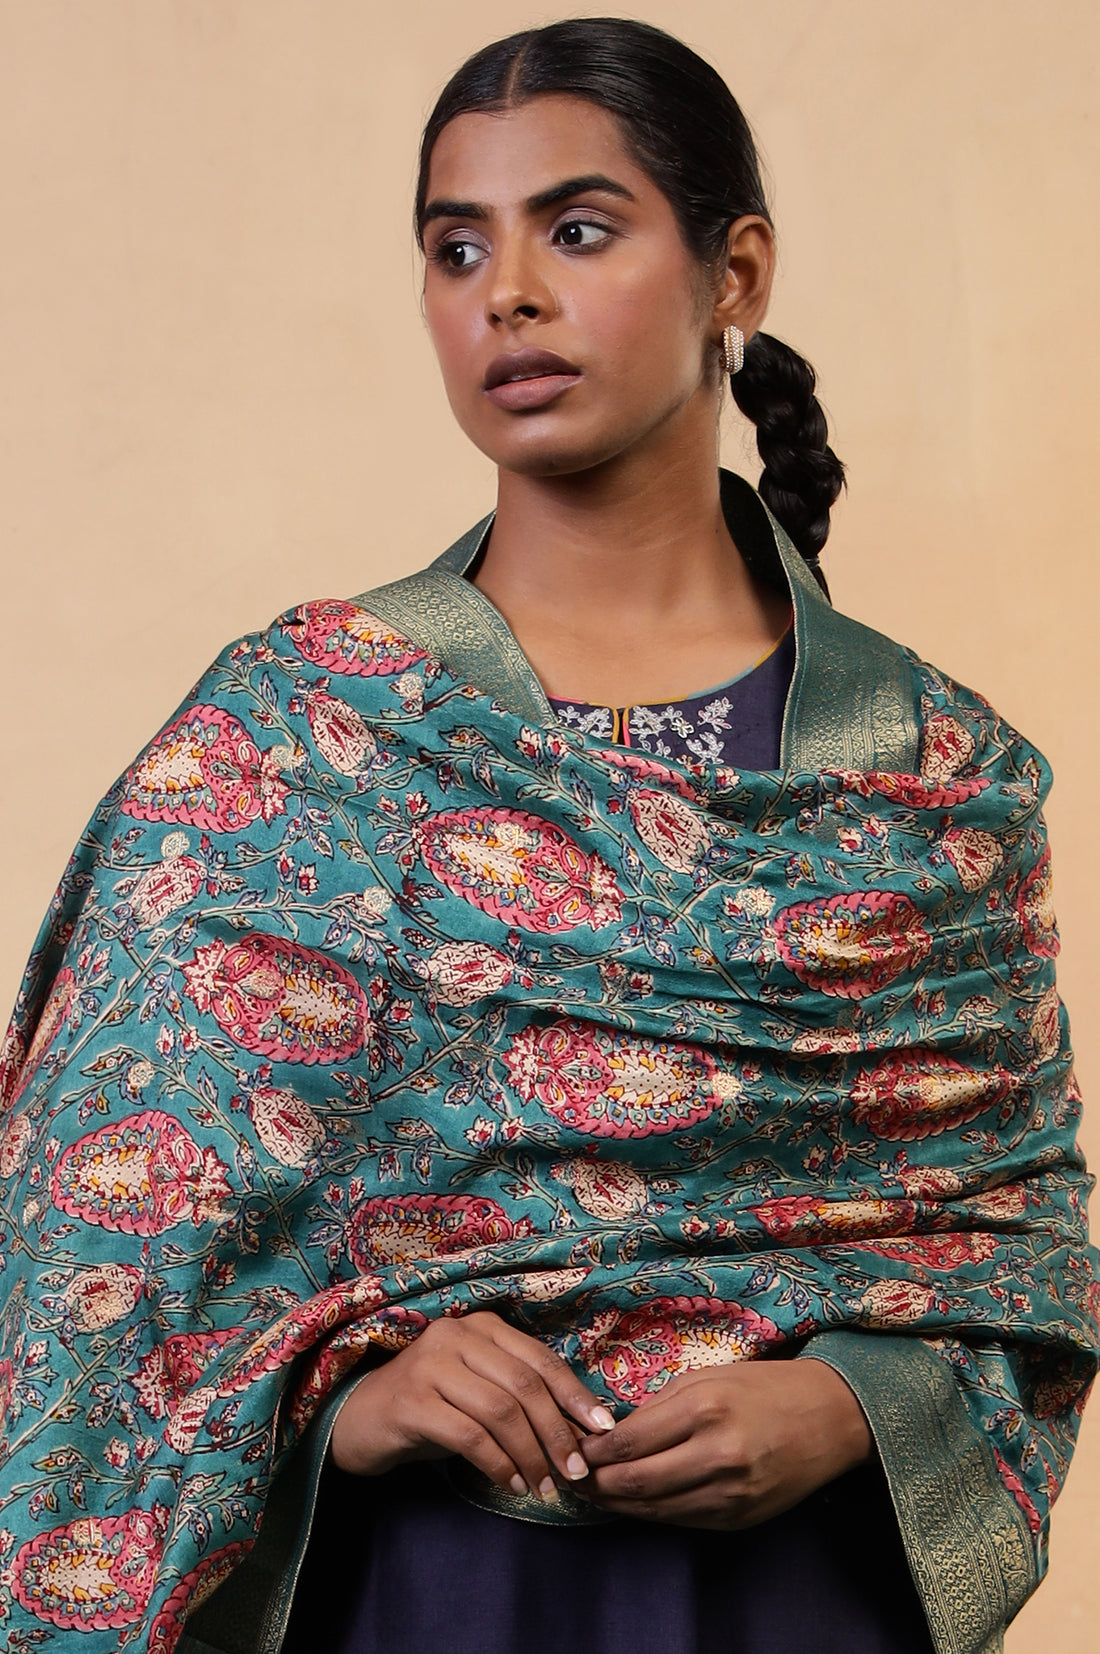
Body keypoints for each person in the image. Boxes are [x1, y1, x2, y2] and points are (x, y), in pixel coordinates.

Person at [0, 18, 1094, 1654]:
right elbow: (87, 1266)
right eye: (456, 248)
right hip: (431, 1593)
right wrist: (343, 1401)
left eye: (576, 230)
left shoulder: (932, 774)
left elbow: (1020, 1259)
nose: (504, 292)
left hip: (797, 1599)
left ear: (735, 272)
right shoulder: (294, 737)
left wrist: (859, 1402)